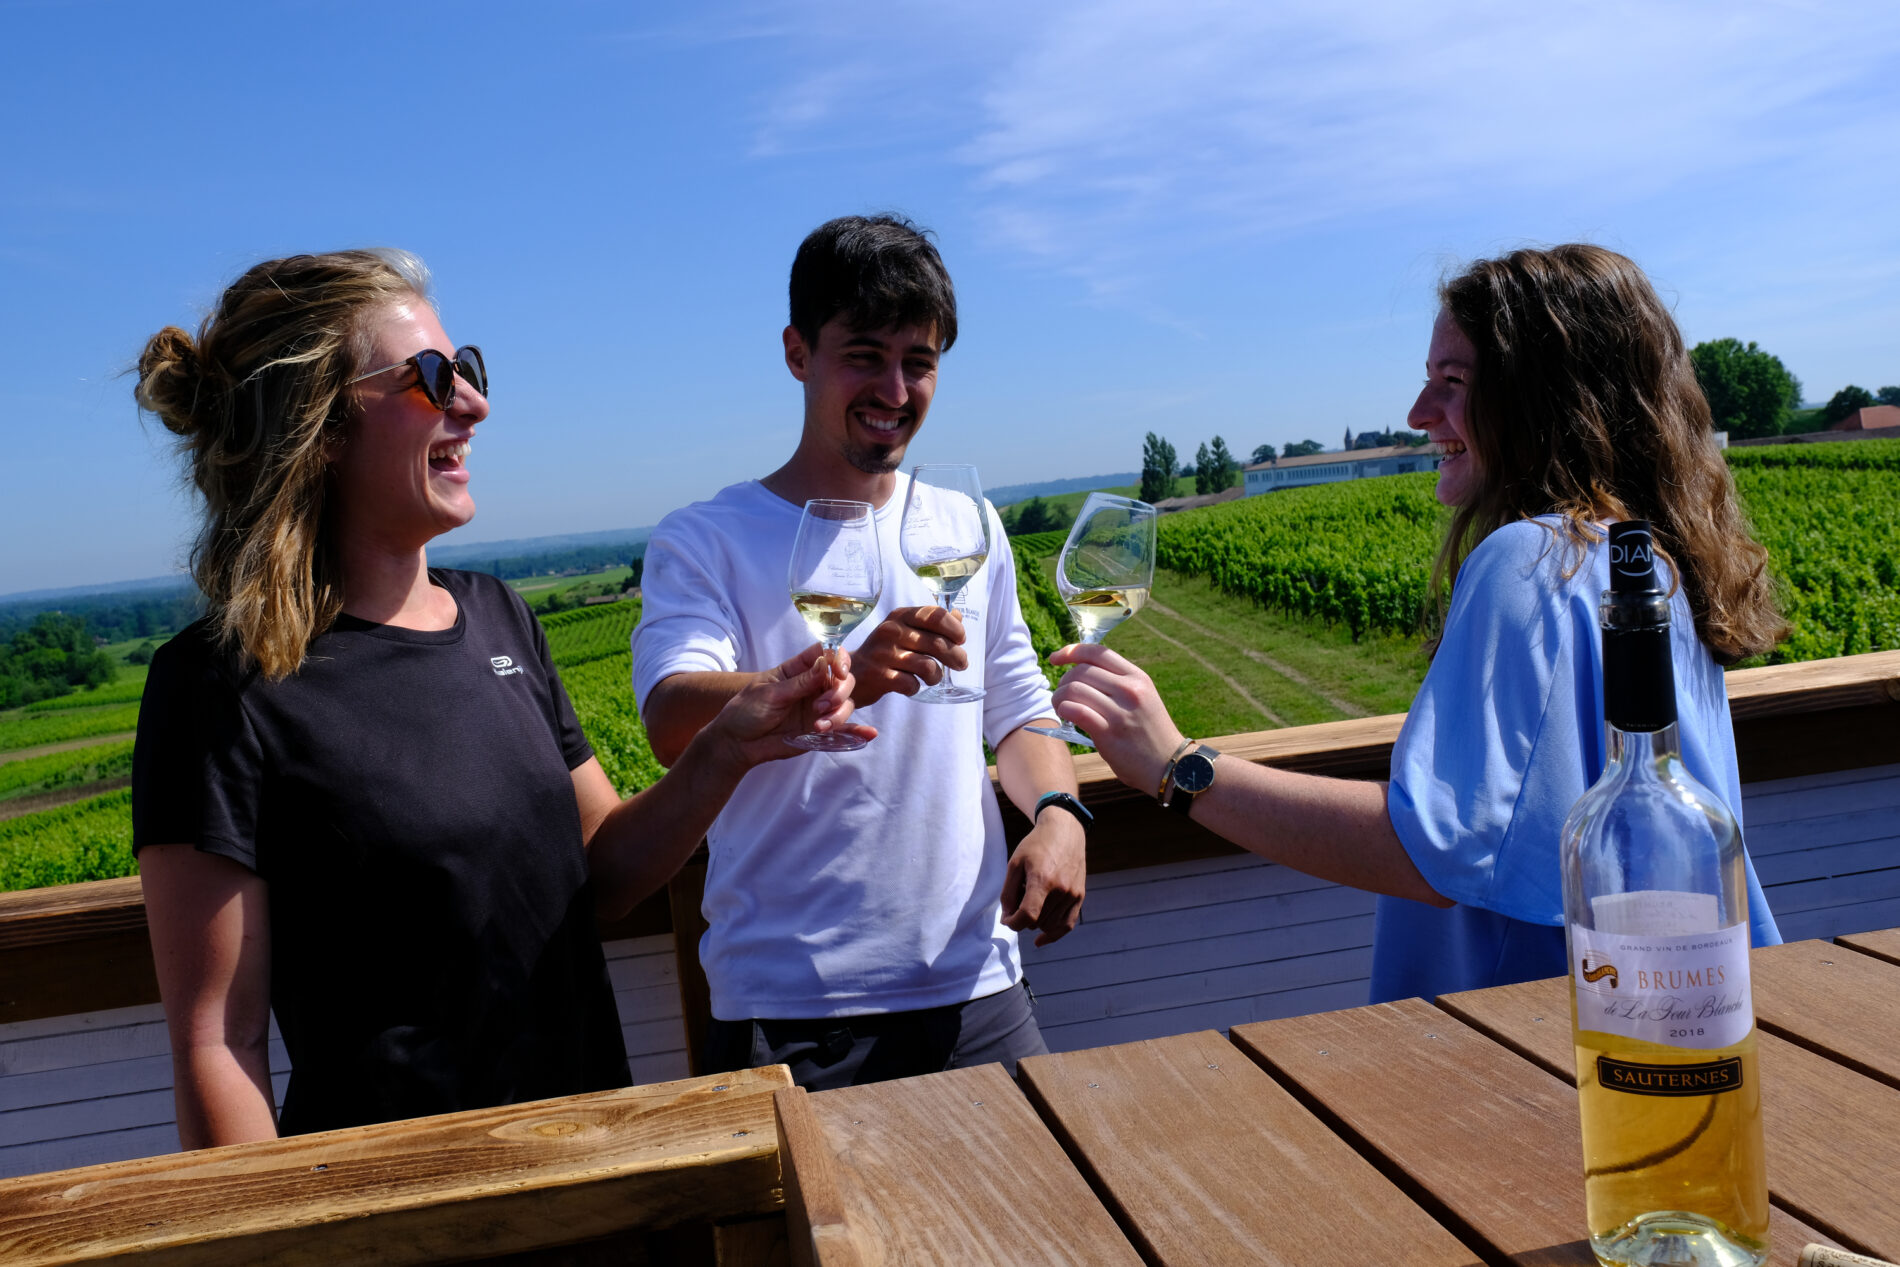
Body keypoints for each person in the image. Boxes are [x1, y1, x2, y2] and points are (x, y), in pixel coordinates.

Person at [131, 249, 863, 1148]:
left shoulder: (498, 616)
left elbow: (601, 873)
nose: (473, 404)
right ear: (316, 425)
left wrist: (723, 751)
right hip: (399, 1208)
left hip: (593, 1162)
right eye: (432, 378)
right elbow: (219, 1042)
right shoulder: (217, 686)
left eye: (466, 369)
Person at [1050, 244, 1784, 1002]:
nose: (1418, 413)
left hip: (1528, 1042)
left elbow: (1430, 852)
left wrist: (1177, 766)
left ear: (1542, 400)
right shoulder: (1653, 563)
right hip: (1675, 1015)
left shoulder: (1535, 562)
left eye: (1453, 382)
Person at [632, 215, 1087, 1088]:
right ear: (798, 352)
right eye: (865, 354)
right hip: (790, 1011)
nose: (895, 387)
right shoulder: (706, 538)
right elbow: (671, 715)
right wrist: (843, 675)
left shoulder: (966, 524)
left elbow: (1021, 711)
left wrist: (1063, 816)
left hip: (980, 989)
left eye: (919, 361)